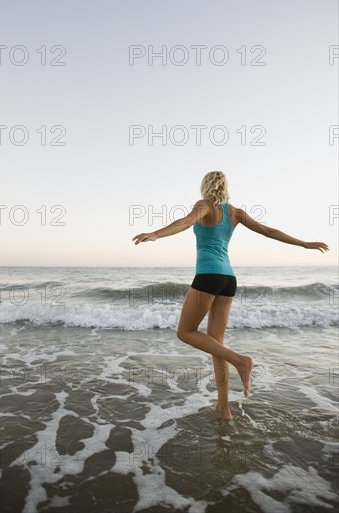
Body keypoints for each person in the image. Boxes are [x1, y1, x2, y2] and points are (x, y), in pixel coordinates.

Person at [132, 171, 329, 421]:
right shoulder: (235, 212)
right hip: (228, 280)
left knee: (185, 332)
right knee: (216, 344)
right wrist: (304, 244)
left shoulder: (204, 205)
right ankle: (223, 408)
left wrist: (156, 234)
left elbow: (185, 221)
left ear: (205, 186)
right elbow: (267, 231)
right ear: (226, 186)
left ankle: (241, 361)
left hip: (207, 276)